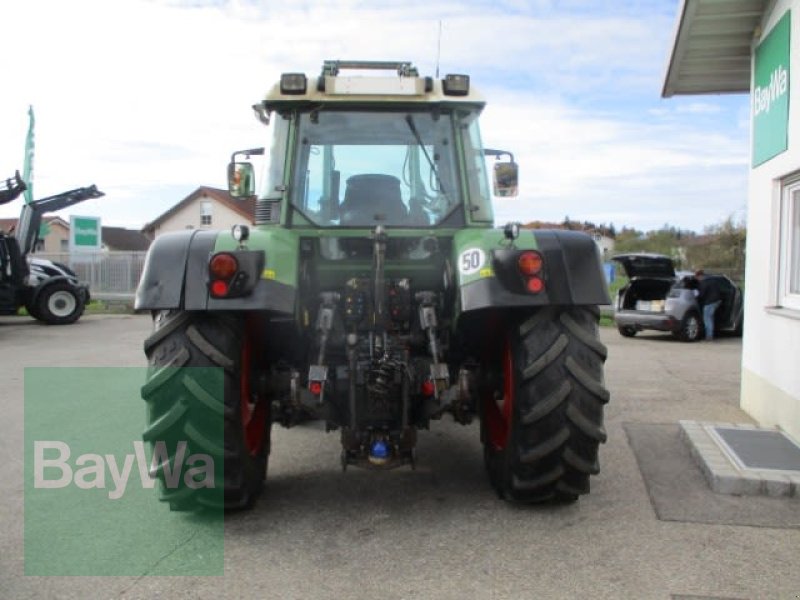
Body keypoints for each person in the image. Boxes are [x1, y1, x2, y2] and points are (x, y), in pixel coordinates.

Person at [695, 269, 722, 340]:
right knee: (710, 318)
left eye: (697, 278)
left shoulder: (704, 282)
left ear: (700, 276)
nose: (697, 279)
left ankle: (709, 336)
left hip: (710, 302)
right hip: (717, 300)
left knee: (707, 319)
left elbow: (701, 294)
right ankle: (711, 334)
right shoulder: (712, 279)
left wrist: (696, 295)